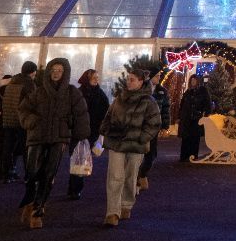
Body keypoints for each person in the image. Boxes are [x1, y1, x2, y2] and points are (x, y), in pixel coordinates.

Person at [17, 57, 89, 229]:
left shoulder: (72, 93)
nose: (56, 73)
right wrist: (31, 121)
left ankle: (38, 210)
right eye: (54, 70)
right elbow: (23, 109)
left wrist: (81, 136)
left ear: (65, 73)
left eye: (60, 70)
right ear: (49, 71)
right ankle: (30, 199)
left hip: (59, 138)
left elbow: (81, 115)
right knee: (32, 173)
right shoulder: (39, 91)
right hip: (37, 136)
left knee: (49, 175)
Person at [99, 69, 161, 227]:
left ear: (141, 82)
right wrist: (105, 130)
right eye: (128, 79)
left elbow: (154, 123)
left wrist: (142, 137)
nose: (129, 82)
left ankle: (126, 204)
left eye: (132, 79)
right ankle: (112, 212)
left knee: (130, 176)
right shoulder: (120, 98)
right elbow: (108, 115)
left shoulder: (149, 101)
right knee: (114, 176)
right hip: (116, 142)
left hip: (135, 145)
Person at [67, 69, 110, 200]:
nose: (96, 80)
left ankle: (75, 188)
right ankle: (74, 188)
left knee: (82, 160)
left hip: (92, 132)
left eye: (97, 77)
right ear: (87, 78)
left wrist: (101, 130)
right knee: (77, 159)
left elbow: (105, 112)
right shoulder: (78, 93)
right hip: (78, 132)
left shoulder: (100, 94)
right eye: (93, 78)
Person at [0, 62, 36, 182]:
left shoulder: (12, 82)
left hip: (8, 120)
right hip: (21, 120)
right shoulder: (29, 84)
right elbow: (32, 102)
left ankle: (6, 174)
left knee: (7, 147)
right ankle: (28, 175)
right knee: (26, 149)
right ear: (32, 72)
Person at [136, 71, 170, 192]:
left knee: (152, 154)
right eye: (157, 76)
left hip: (154, 127)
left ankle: (142, 174)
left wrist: (165, 126)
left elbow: (166, 109)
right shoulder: (141, 89)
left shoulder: (162, 91)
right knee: (139, 154)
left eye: (160, 76)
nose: (159, 78)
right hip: (141, 127)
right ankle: (136, 180)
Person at [178, 74, 213, 161]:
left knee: (194, 138)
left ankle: (193, 156)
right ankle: (184, 156)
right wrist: (180, 116)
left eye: (194, 80)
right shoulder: (188, 92)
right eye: (192, 80)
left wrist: (204, 114)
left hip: (196, 118)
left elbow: (208, 104)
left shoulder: (202, 91)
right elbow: (182, 105)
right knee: (186, 138)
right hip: (187, 118)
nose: (193, 82)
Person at [0, 74, 13, 180]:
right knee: (8, 148)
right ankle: (6, 170)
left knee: (1, 147)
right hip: (10, 123)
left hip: (2, 122)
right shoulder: (11, 93)